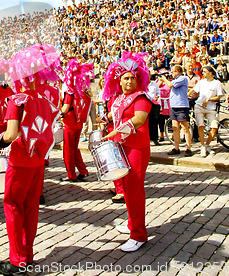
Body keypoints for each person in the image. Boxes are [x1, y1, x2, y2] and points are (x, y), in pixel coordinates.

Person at [0, 44, 61, 276]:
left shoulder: (16, 99)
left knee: (12, 205)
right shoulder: (44, 98)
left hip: (20, 159)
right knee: (31, 208)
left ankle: (17, 259)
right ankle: (28, 255)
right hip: (38, 160)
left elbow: (11, 134)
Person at [102, 53, 152, 252]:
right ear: (119, 81)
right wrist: (106, 120)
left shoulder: (141, 97)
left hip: (137, 148)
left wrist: (116, 131)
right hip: (121, 147)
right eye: (125, 78)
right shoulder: (119, 98)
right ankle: (133, 225)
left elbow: (139, 119)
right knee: (126, 188)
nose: (129, 81)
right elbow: (116, 116)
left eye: (132, 77)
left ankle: (139, 234)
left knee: (134, 189)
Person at [60, 59, 93, 182]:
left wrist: (57, 114)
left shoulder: (70, 91)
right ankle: (83, 171)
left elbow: (65, 108)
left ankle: (71, 174)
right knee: (75, 148)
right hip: (78, 122)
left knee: (68, 150)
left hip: (69, 122)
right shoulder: (82, 91)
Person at [189, 66, 224, 157]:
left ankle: (207, 144)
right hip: (200, 106)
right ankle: (203, 146)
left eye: (204, 72)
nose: (203, 73)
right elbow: (194, 89)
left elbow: (219, 96)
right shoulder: (201, 82)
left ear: (210, 73)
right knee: (201, 125)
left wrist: (209, 99)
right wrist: (187, 94)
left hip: (211, 107)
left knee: (214, 126)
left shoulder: (217, 83)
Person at [161, 65, 192, 157]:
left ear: (178, 71)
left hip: (182, 106)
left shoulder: (183, 78)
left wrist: (163, 79)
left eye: (173, 71)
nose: (171, 73)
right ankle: (176, 147)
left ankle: (188, 148)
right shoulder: (176, 80)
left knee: (185, 127)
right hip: (174, 106)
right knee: (175, 128)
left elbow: (170, 85)